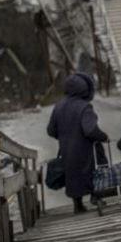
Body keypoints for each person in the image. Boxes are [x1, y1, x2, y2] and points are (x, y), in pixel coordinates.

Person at [47, 73, 109, 214]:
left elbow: (51, 130)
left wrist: (64, 136)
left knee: (72, 175)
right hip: (86, 149)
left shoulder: (58, 107)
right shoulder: (85, 107)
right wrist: (103, 136)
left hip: (67, 150)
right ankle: (96, 196)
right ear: (84, 89)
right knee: (97, 166)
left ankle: (78, 205)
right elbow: (90, 130)